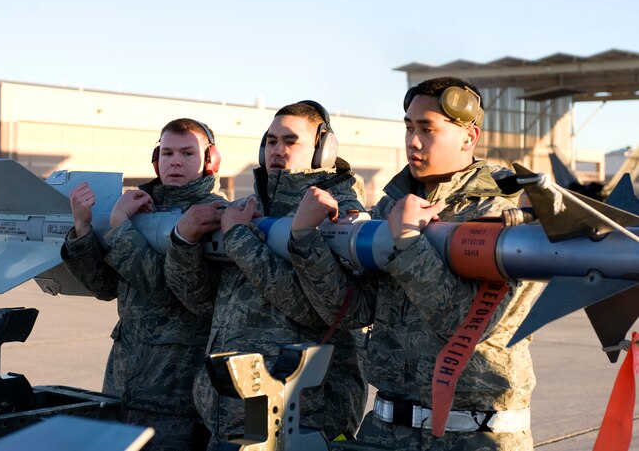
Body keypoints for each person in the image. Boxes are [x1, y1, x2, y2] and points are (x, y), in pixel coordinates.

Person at [289, 77, 541, 451]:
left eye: (428, 128)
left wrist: (407, 242)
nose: (413, 141)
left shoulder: (506, 220)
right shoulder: (391, 208)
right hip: (387, 431)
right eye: (409, 127)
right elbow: (352, 311)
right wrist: (306, 241)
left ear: (469, 137)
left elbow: (469, 328)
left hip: (473, 436)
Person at [166, 101, 368, 449]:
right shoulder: (249, 209)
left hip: (300, 422)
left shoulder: (340, 215)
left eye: (290, 141)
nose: (277, 150)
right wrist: (183, 241)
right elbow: (202, 303)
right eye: (271, 141)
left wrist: (240, 240)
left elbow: (320, 309)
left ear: (324, 150)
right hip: (229, 416)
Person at [61, 118, 227, 451]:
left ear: (210, 160)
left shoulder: (215, 217)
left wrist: (120, 227)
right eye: (166, 153)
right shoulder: (141, 207)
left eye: (186, 153)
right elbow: (105, 286)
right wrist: (83, 229)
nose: (175, 161)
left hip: (175, 395)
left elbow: (168, 291)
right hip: (122, 383)